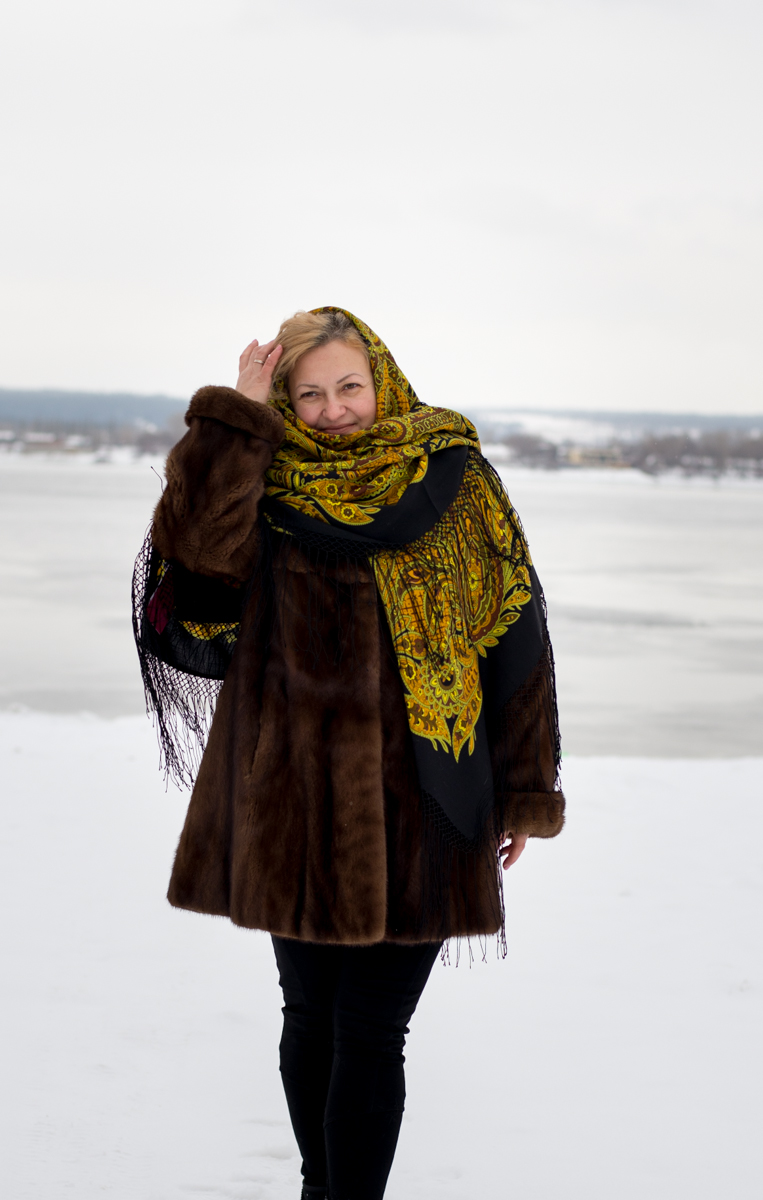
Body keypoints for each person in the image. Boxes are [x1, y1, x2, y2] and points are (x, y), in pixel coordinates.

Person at [133, 307, 565, 1200]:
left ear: (382, 381)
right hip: (291, 798)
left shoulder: (453, 477)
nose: (333, 410)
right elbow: (195, 559)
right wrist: (236, 417)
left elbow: (514, 636)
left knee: (371, 1030)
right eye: (309, 395)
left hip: (428, 797)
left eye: (349, 388)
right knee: (310, 1016)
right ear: (285, 402)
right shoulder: (260, 480)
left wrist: (524, 790)